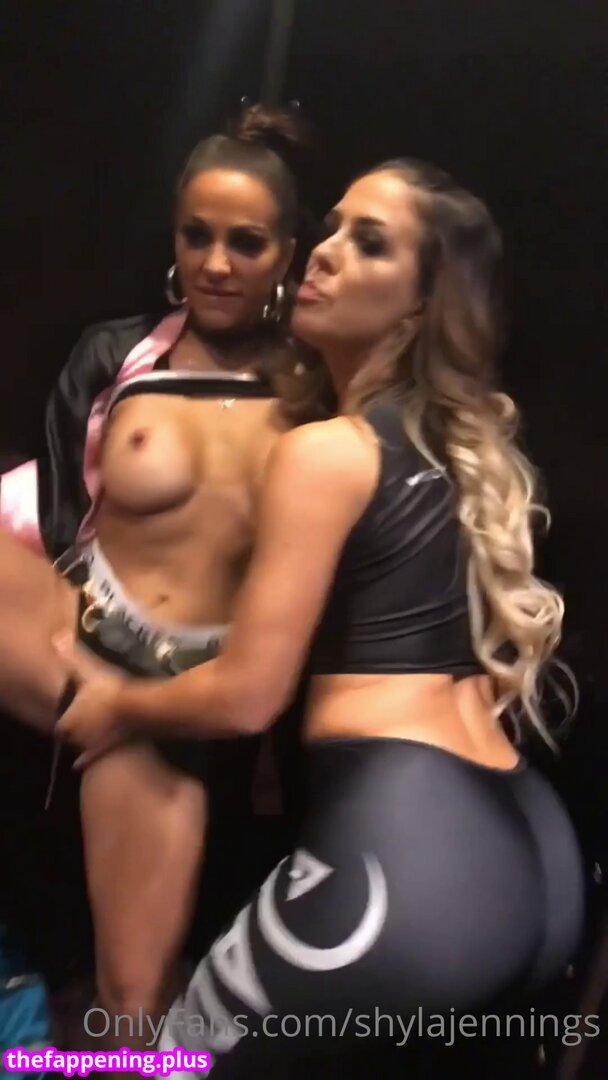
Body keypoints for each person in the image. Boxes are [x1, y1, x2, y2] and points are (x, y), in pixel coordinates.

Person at [27, 159, 588, 1069]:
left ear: (419, 304)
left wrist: (118, 705)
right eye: (332, 228)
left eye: (369, 244)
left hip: (406, 863)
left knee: (154, 1061)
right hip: (536, 860)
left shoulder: (329, 451)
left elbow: (248, 695)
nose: (325, 254)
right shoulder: (457, 449)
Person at [0, 103, 318, 1043]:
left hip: (192, 689)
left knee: (132, 1005)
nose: (216, 262)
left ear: (286, 252)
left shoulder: (315, 385)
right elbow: (66, 511)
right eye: (196, 235)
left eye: (246, 242)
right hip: (87, 630)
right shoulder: (116, 353)